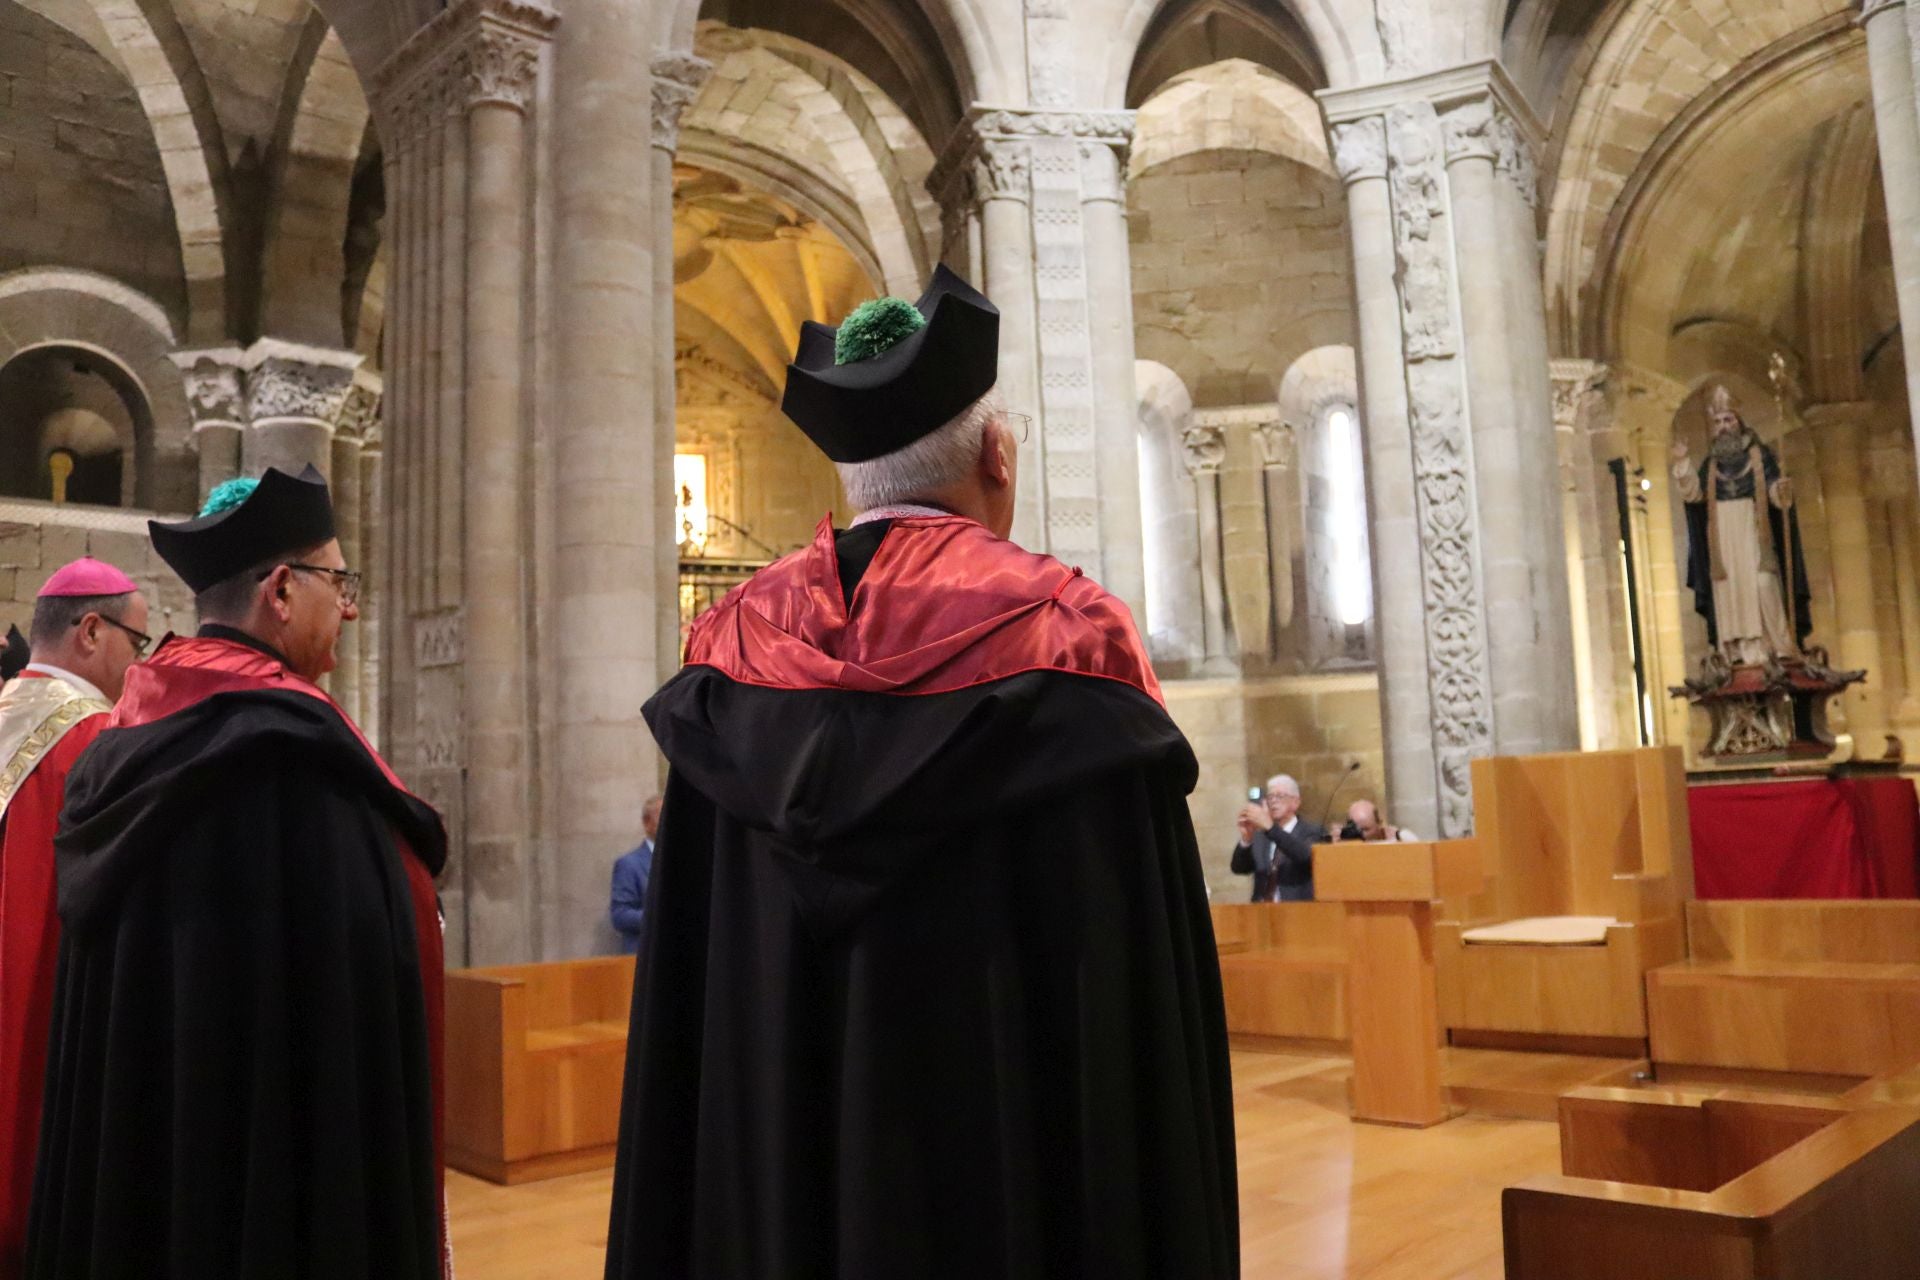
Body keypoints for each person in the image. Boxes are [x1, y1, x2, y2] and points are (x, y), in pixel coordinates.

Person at [605, 267, 1237, 1279]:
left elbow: (693, 994)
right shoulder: (1065, 636)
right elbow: (1133, 995)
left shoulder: (732, 651)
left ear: (854, 480)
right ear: (998, 454)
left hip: (780, 1173)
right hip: (1006, 1179)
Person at [26, 467, 450, 1279]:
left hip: (144, 1157)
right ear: (283, 591)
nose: (351, 607)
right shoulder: (291, 765)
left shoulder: (110, 749)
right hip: (279, 1182)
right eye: (340, 582)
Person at [0, 559, 147, 1280]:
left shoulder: (3, 708)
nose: (138, 663)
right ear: (93, 631)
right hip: (41, 1034)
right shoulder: (95, 740)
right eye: (138, 642)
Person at [1671, 385, 1811, 666]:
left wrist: (1780, 492)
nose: (1723, 427)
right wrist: (1683, 462)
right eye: (1718, 422)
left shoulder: (1760, 456)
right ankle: (1735, 650)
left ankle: (1776, 646)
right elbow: (1695, 496)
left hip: (1753, 531)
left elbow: (1774, 494)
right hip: (1722, 539)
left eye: (1728, 420)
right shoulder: (1710, 464)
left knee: (1763, 584)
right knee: (1728, 590)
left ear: (1738, 421)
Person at [1230, 773, 1328, 902]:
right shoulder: (1262, 836)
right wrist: (1246, 839)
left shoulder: (1313, 831)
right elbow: (1239, 868)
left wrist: (1271, 828)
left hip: (1298, 910)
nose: (1274, 801)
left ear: (1296, 802)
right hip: (1262, 912)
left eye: (1280, 796)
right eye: (1270, 797)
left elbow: (1304, 855)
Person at [609, 794, 662, 955]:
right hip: (647, 957)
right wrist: (663, 916)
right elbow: (620, 915)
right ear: (647, 823)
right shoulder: (629, 864)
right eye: (664, 815)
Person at [1335, 798, 1418, 844]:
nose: (1361, 834)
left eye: (1365, 829)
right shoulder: (1347, 843)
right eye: (1356, 830)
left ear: (1379, 823)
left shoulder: (1403, 838)